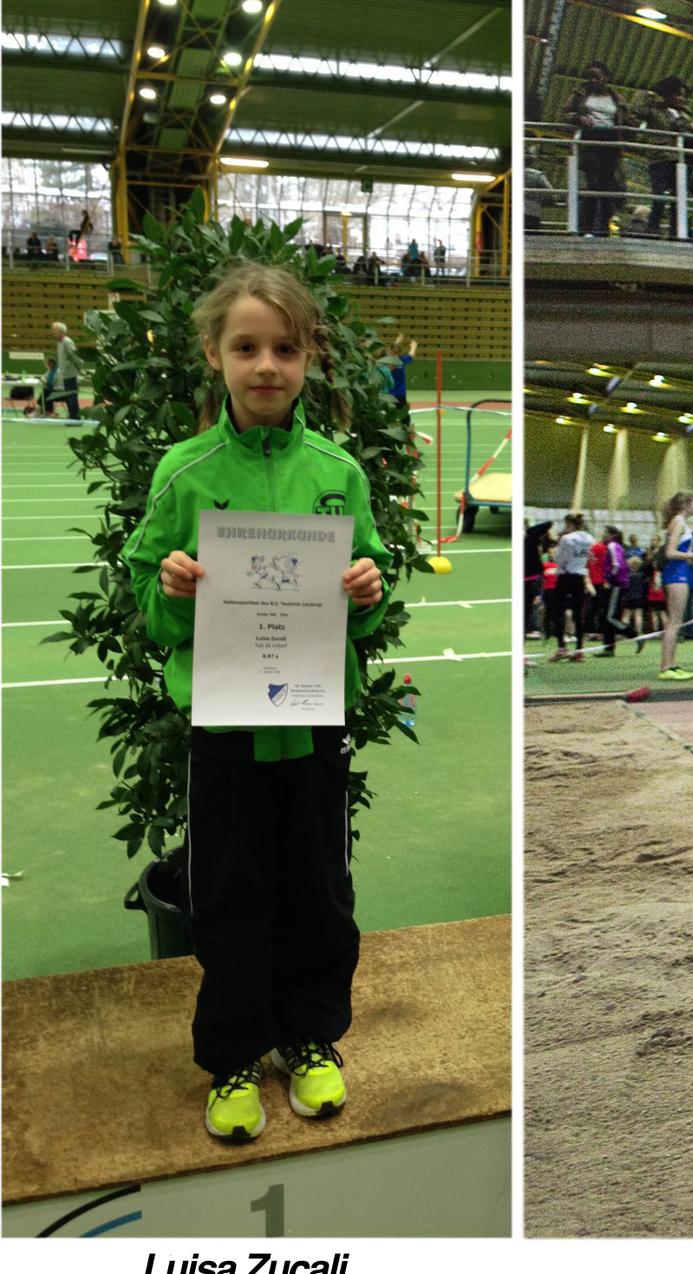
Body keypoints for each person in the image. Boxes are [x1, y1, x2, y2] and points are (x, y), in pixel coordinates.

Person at [123, 260, 390, 1142]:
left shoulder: (338, 471)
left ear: (310, 356)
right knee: (230, 897)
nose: (265, 365)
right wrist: (171, 586)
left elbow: (364, 608)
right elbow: (151, 607)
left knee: (320, 888)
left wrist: (365, 592)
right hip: (229, 729)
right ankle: (235, 1057)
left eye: (283, 347)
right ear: (213, 355)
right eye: (246, 347)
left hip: (313, 724)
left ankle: (309, 1040)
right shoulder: (185, 470)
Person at [563, 60, 630, 237]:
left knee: (609, 187)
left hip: (611, 142)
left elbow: (628, 118)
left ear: (606, 78)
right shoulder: (580, 94)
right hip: (590, 139)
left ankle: (602, 228)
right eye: (589, 77)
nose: (592, 80)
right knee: (593, 184)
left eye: (596, 76)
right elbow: (564, 113)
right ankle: (587, 228)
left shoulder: (616, 98)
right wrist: (579, 118)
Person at [654, 491, 693, 679]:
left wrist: (690, 558)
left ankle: (672, 663)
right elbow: (670, 553)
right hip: (675, 576)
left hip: (680, 573)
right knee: (674, 621)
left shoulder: (681, 523)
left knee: (676, 621)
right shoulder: (678, 522)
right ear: (685, 505)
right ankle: (666, 667)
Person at [635, 75, 693, 239]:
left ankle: (676, 231)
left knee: (679, 197)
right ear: (668, 95)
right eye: (678, 94)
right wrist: (647, 94)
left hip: (681, 160)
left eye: (683, 95)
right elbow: (637, 110)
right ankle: (653, 227)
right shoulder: (654, 111)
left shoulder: (685, 115)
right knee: (659, 194)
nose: (681, 98)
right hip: (661, 157)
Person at [550, 513, 594, 658]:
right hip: (580, 576)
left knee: (558, 611)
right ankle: (579, 649)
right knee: (578, 612)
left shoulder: (566, 539)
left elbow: (559, 559)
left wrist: (558, 545)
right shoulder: (589, 538)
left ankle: (561, 647)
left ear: (570, 524)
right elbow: (589, 557)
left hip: (565, 576)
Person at [595, 528, 633, 655]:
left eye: (605, 534)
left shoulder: (612, 545)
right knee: (605, 616)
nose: (603, 536)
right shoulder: (617, 546)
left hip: (616, 585)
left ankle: (632, 633)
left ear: (612, 535)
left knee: (610, 616)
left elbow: (617, 564)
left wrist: (609, 579)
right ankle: (608, 648)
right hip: (618, 584)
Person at [49, 320, 82, 419]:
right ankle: (72, 415)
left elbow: (75, 356)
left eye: (54, 330)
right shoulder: (60, 342)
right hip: (65, 373)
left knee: (71, 395)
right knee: (69, 395)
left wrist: (80, 369)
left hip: (70, 373)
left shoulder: (67, 341)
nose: (52, 332)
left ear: (60, 331)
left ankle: (75, 417)